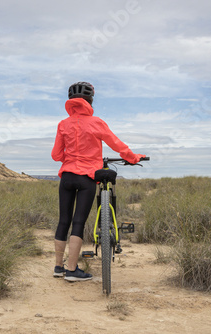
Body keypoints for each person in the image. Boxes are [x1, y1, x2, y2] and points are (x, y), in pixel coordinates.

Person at [51, 81, 145, 282]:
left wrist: (71, 156)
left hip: (66, 177)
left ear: (70, 101)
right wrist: (132, 157)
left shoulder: (63, 124)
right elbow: (116, 144)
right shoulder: (97, 123)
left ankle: (58, 267)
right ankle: (72, 270)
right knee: (78, 222)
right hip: (86, 178)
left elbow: (56, 155)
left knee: (63, 220)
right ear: (90, 100)